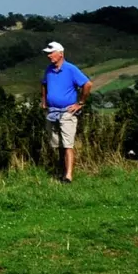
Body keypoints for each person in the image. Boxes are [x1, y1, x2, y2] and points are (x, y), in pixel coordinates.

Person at [41, 40, 92, 183]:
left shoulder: (71, 69)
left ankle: (68, 175)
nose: (49, 56)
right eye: (48, 53)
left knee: (68, 144)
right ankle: (62, 172)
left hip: (67, 112)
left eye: (51, 53)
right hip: (52, 112)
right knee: (58, 145)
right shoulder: (49, 70)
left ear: (60, 54)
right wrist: (44, 101)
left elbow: (87, 84)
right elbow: (44, 84)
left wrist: (80, 103)